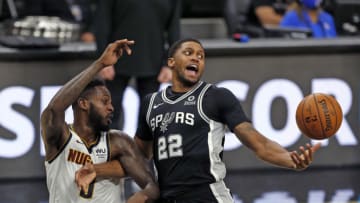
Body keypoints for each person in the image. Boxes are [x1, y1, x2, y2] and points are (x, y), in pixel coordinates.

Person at [75, 38, 321, 202]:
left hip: (208, 196)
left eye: (201, 56)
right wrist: (96, 170)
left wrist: (290, 160)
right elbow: (136, 161)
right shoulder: (151, 103)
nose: (196, 58)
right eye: (189, 53)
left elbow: (258, 143)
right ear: (171, 63)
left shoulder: (216, 97)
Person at [40, 39, 159, 203]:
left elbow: (152, 186)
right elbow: (53, 110)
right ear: (83, 104)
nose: (111, 107)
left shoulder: (118, 141)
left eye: (110, 102)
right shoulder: (61, 138)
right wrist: (100, 64)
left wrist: (140, 197)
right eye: (104, 101)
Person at [93, 0, 181, 130]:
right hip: (116, 61)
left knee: (149, 120)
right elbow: (102, 23)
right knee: (109, 117)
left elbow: (174, 28)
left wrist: (170, 64)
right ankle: (109, 149)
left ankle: (143, 151)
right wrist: (104, 61)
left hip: (153, 62)